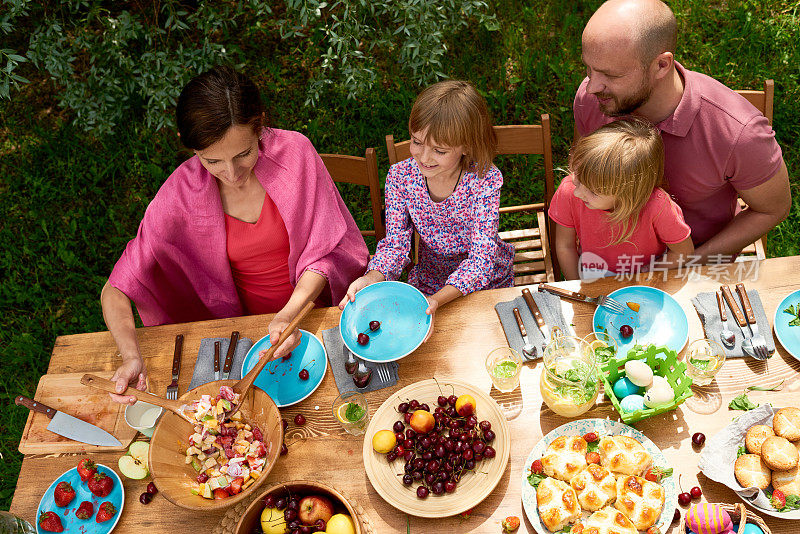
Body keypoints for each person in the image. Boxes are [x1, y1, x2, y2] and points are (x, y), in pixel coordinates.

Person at [103, 66, 369, 404]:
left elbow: (328, 254)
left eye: (243, 154)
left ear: (260, 125)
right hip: (243, 335)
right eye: (212, 161)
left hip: (315, 310)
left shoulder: (297, 154)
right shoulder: (179, 195)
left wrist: (289, 313)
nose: (231, 174)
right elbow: (115, 288)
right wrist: (131, 358)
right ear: (192, 150)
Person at [574, 0, 790, 263]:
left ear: (661, 66)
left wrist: (691, 261)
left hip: (695, 261)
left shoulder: (740, 134)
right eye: (589, 68)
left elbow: (773, 208)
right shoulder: (593, 100)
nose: (592, 86)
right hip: (607, 261)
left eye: (611, 75)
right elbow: (583, 172)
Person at [339, 80, 514, 324]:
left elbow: (481, 261)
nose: (423, 157)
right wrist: (370, 279)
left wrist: (436, 301)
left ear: (467, 146)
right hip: (431, 276)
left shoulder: (485, 179)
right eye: (416, 142)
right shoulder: (400, 177)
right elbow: (395, 245)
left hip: (485, 281)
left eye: (439, 151)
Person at [550, 119, 693, 280]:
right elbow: (565, 246)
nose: (578, 193)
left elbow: (684, 252)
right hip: (591, 274)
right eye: (578, 178)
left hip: (645, 278)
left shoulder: (657, 207)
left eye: (593, 192)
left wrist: (647, 273)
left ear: (628, 194)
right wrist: (577, 289)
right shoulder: (569, 190)